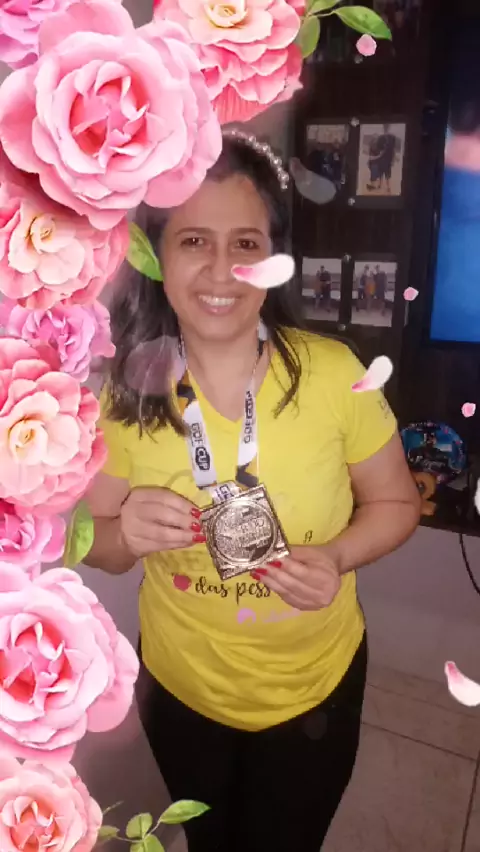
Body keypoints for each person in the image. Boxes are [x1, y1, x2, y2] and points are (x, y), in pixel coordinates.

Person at [83, 133, 420, 852]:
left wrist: (337, 556)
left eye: (246, 243)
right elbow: (98, 546)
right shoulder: (127, 399)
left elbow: (398, 504)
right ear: (156, 256)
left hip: (313, 692)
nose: (221, 270)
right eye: (193, 241)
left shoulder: (336, 376)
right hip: (179, 690)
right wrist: (123, 533)